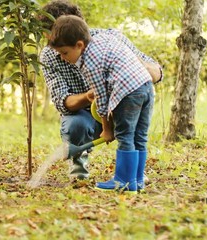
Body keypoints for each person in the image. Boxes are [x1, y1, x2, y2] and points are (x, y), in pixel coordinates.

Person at [39, 0, 162, 184]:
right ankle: (87, 166)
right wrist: (88, 97)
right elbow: (62, 102)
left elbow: (158, 72)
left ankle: (127, 178)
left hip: (122, 101)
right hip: (90, 113)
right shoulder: (50, 55)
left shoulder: (108, 40)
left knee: (129, 136)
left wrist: (126, 61)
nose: (55, 49)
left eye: (61, 48)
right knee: (78, 124)